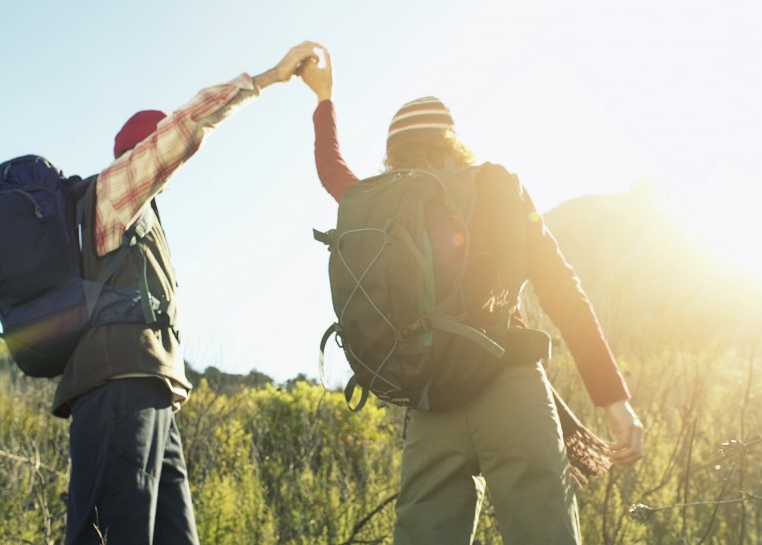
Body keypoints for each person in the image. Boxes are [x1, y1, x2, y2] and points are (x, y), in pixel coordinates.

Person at [300, 50, 644, 545]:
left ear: (395, 155)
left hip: (429, 401)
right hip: (512, 390)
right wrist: (613, 400)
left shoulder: (379, 205)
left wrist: (324, 98)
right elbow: (562, 290)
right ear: (452, 142)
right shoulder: (498, 186)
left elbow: (331, 167)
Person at [51, 41, 323, 545]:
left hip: (150, 394)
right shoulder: (113, 190)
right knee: (117, 534)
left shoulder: (140, 219)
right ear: (143, 150)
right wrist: (269, 77)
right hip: (118, 392)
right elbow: (186, 126)